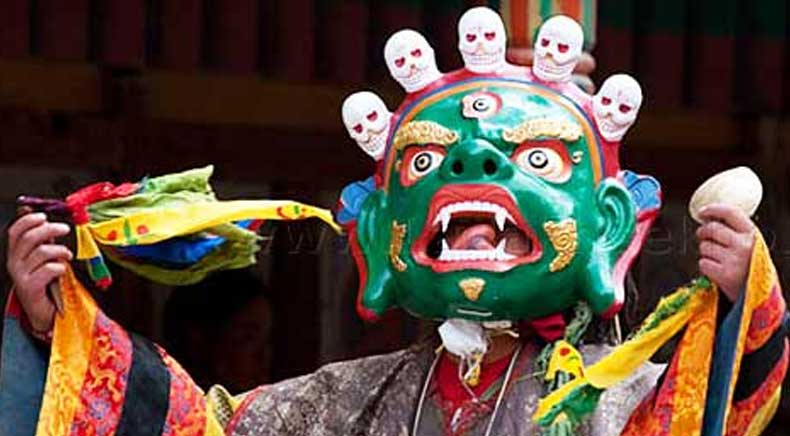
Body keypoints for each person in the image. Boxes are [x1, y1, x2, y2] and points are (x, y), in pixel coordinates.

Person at [2, 8, 787, 436]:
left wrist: (739, 297)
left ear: (611, 227)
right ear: (378, 234)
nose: (475, 169)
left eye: (536, 161)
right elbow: (192, 430)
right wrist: (62, 327)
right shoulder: (337, 409)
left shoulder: (622, 408)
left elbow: (718, 408)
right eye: (425, 162)